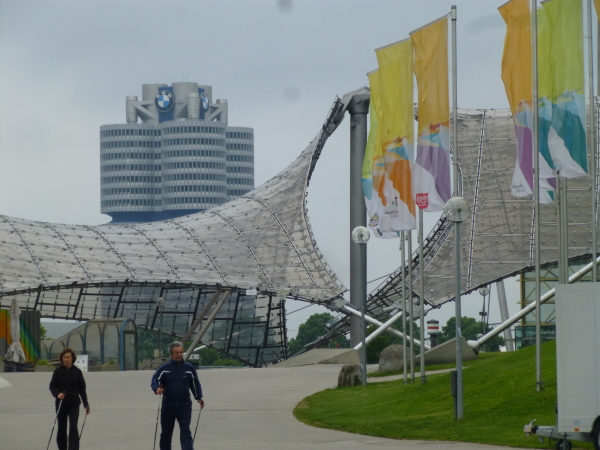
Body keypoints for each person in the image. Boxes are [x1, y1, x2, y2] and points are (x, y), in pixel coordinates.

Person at [151, 341, 204, 450]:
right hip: (168, 406)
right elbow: (155, 380)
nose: (179, 354)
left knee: (185, 431)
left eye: (181, 352)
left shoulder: (189, 368)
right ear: (171, 354)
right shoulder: (164, 368)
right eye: (177, 353)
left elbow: (195, 384)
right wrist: (157, 389)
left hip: (184, 406)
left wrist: (199, 398)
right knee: (166, 433)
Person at [49, 347, 90, 450]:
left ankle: (73, 448)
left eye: (68, 357)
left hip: (74, 403)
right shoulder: (57, 371)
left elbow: (82, 389)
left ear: (72, 359)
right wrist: (57, 394)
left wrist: (86, 404)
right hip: (61, 403)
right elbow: (52, 387)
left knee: (73, 427)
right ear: (62, 358)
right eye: (64, 357)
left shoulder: (77, 372)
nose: (66, 359)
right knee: (62, 427)